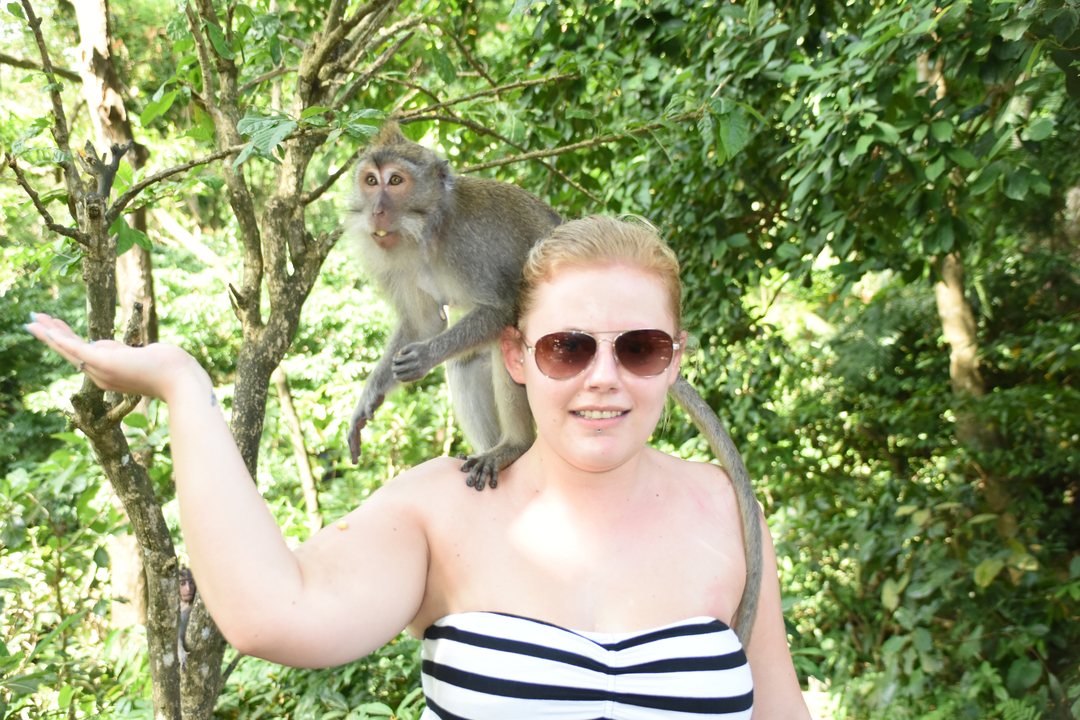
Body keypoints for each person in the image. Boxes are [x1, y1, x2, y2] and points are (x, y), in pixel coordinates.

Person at [27, 216, 811, 719]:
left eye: (638, 347)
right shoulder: (443, 507)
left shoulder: (724, 509)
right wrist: (183, 389)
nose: (602, 377)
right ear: (514, 354)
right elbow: (271, 614)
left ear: (675, 360)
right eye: (567, 347)